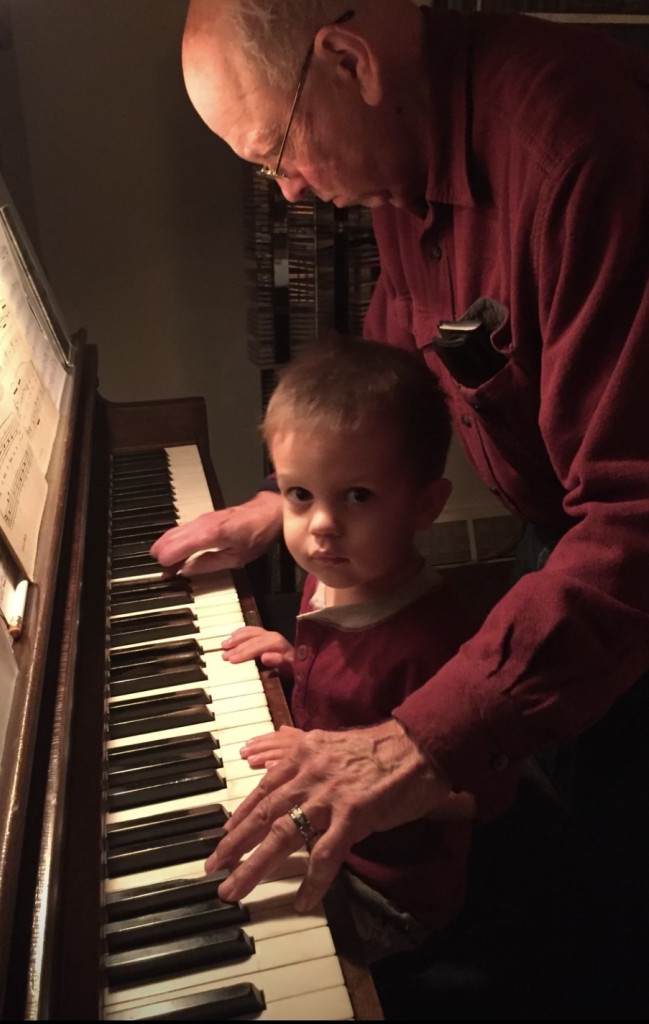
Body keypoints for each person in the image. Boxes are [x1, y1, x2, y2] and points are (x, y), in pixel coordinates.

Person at [151, 0, 649, 1017]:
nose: (293, 190)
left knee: (622, 907)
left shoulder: (571, 142)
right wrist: (282, 500)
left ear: (347, 60)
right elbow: (404, 356)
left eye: (277, 153)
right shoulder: (403, 150)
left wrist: (414, 739)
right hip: (580, 518)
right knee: (542, 831)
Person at [217, 337, 518, 964]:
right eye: (300, 495)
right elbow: (351, 683)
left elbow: (487, 794)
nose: (320, 524)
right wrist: (293, 655)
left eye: (356, 496)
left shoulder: (438, 641)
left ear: (425, 506)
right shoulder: (330, 576)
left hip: (392, 891)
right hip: (323, 830)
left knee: (247, 941)